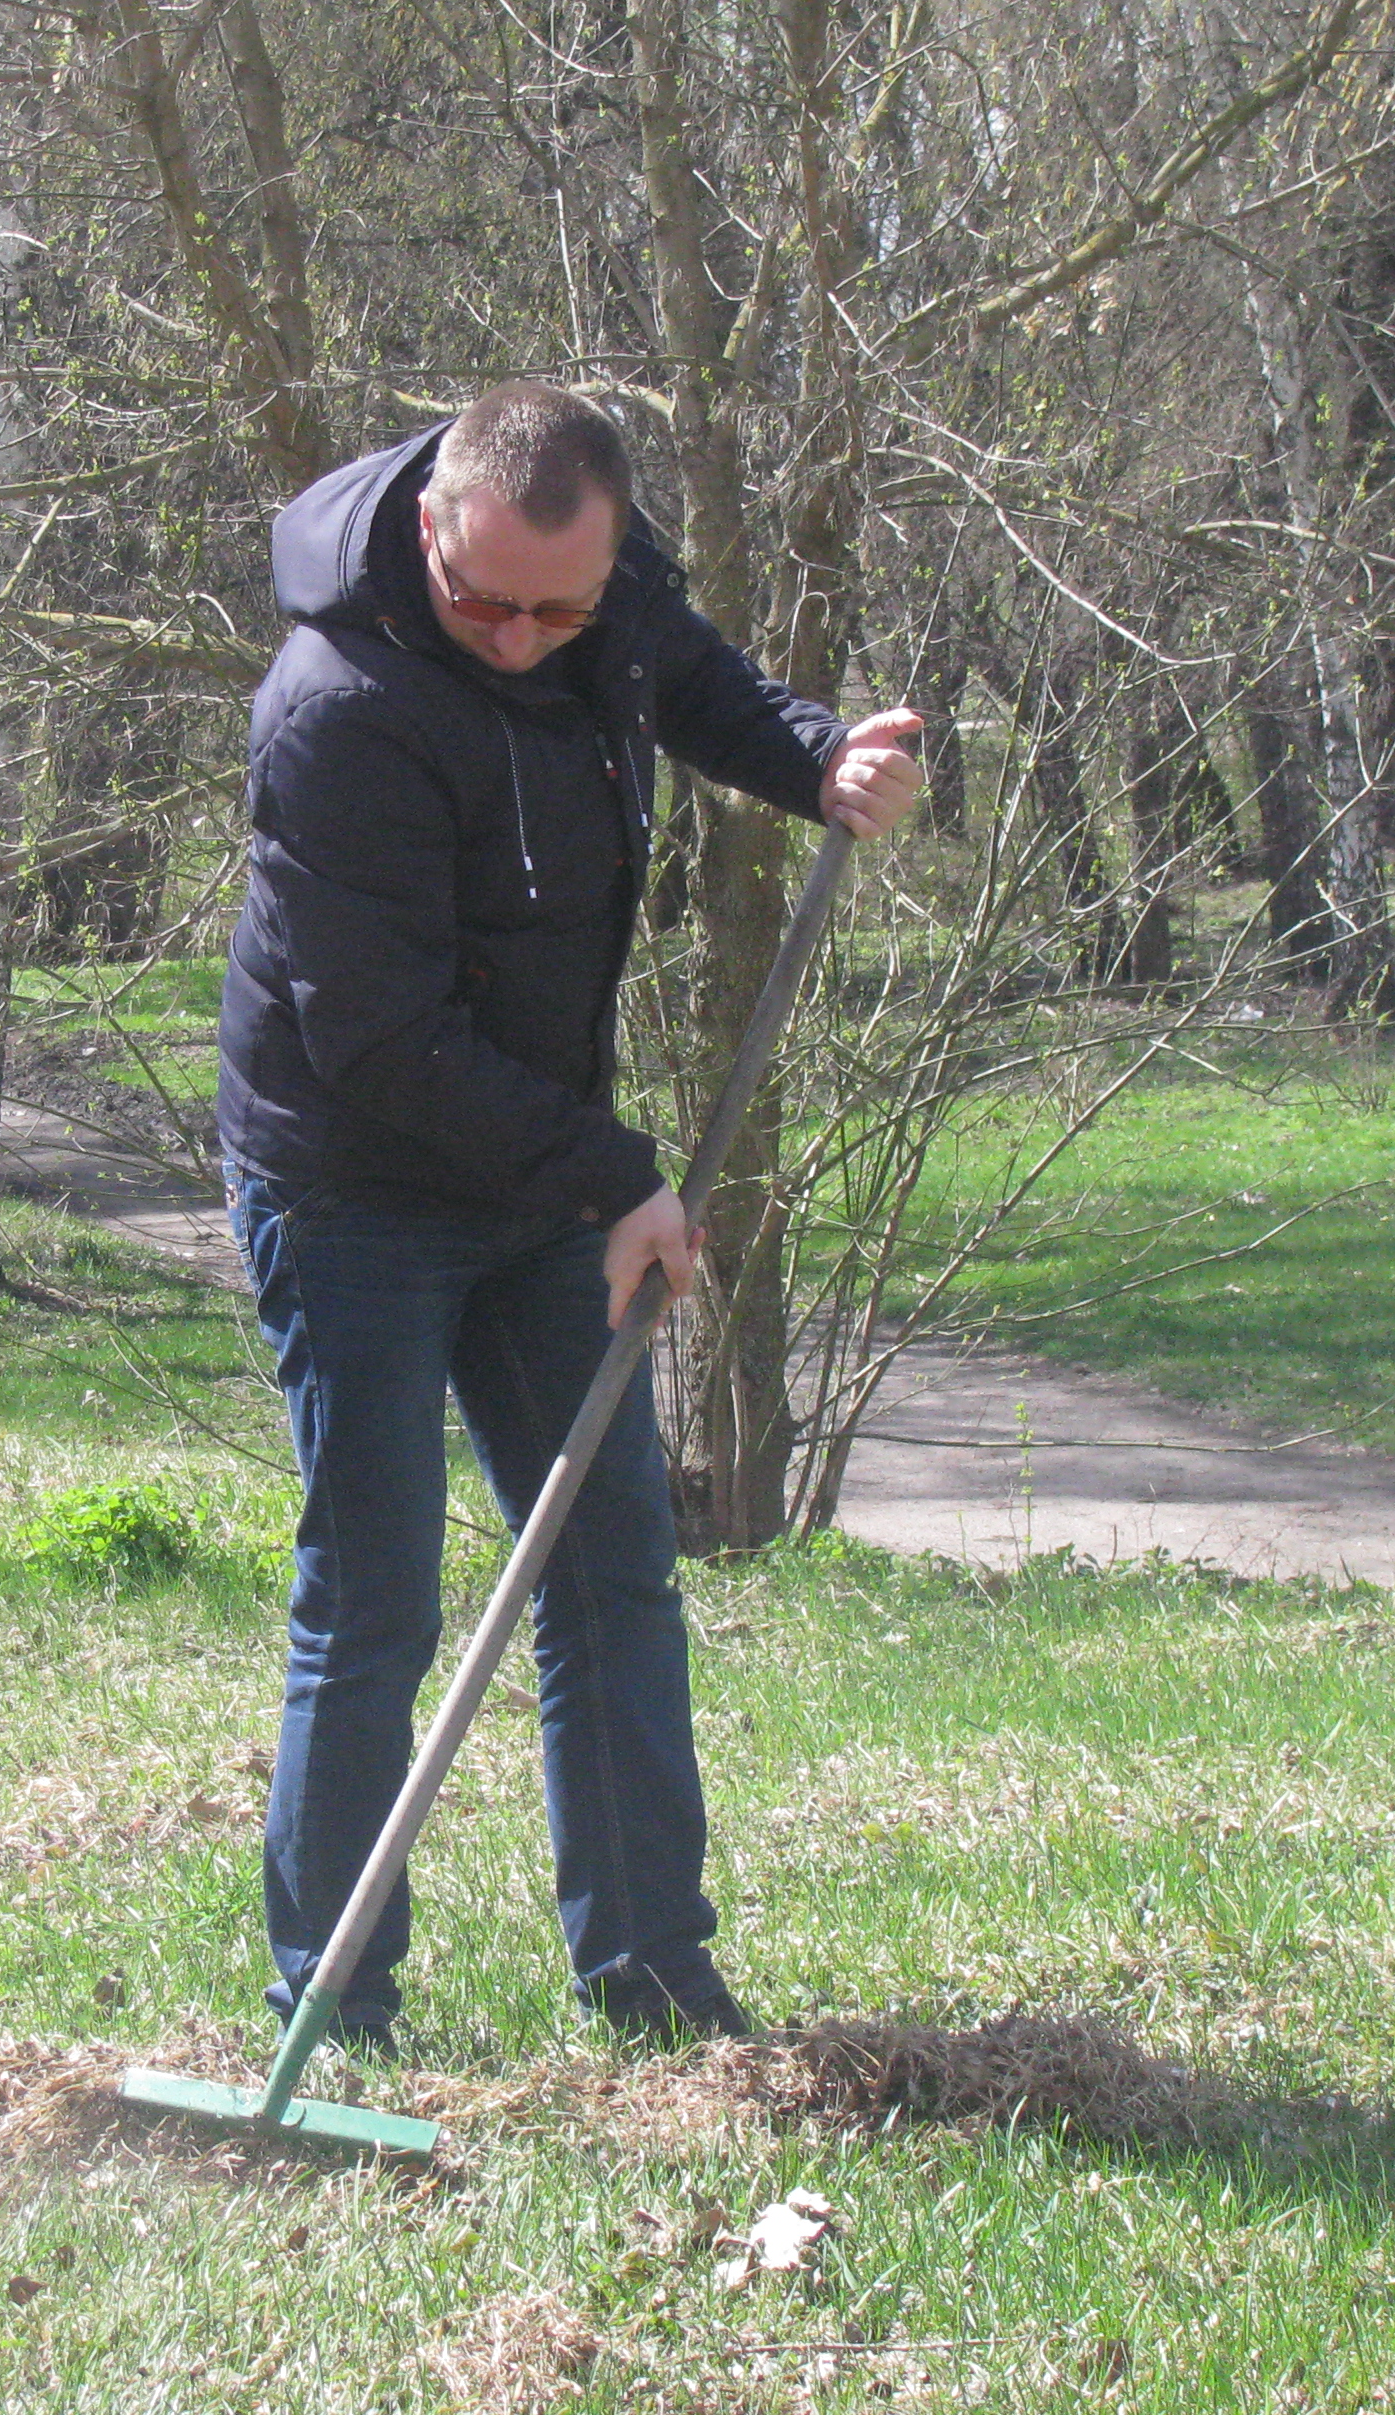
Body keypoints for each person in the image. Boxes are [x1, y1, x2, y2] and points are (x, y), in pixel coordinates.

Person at [216, 381, 923, 2047]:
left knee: (611, 1570)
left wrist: (819, 758)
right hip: (354, 1188)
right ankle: (330, 2014)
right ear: (432, 528)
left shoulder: (603, 599)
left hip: (535, 1177)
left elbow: (690, 680)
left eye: (563, 606)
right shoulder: (339, 705)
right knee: (374, 1599)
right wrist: (618, 1174)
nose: (525, 637)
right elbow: (379, 1042)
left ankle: (657, 1989)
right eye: (487, 601)